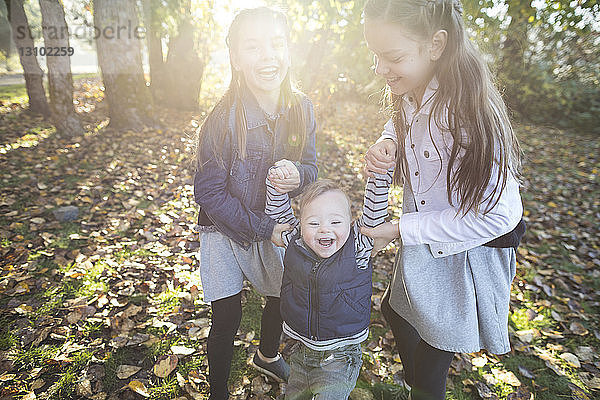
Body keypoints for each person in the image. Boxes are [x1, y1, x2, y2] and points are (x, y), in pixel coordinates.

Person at [360, 1, 525, 399]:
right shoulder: (411, 88)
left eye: (392, 57)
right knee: (394, 311)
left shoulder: (469, 113)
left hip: (467, 250)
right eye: (375, 56)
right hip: (427, 237)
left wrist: (400, 228)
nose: (380, 70)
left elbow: (498, 215)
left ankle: (424, 389)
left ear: (435, 45)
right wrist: (389, 140)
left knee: (434, 353)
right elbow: (404, 121)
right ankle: (421, 385)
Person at [193, 7, 318, 400]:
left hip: (272, 223)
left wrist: (300, 175)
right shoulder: (222, 120)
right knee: (226, 314)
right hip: (223, 226)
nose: (268, 56)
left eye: (276, 44)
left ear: (289, 49)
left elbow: (312, 166)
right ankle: (218, 391)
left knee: (279, 296)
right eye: (254, 47)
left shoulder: (302, 109)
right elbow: (209, 194)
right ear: (236, 58)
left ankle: (266, 355)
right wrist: (266, 229)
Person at [265, 164, 394, 400]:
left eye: (335, 222)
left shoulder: (358, 247)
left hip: (340, 355)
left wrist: (379, 177)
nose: (324, 229)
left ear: (350, 223)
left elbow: (374, 219)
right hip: (299, 348)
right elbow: (277, 213)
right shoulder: (294, 240)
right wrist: (276, 182)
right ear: (300, 224)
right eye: (313, 223)